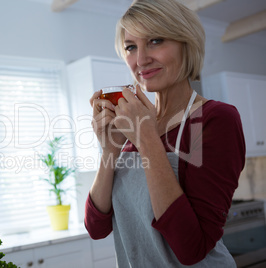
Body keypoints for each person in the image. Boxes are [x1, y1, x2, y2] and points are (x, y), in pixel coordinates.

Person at [84, 0, 246, 267]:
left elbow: (191, 248)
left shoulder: (212, 120)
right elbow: (96, 227)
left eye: (156, 40)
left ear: (187, 44)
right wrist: (110, 150)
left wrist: (147, 139)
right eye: (131, 47)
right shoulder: (135, 124)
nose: (141, 59)